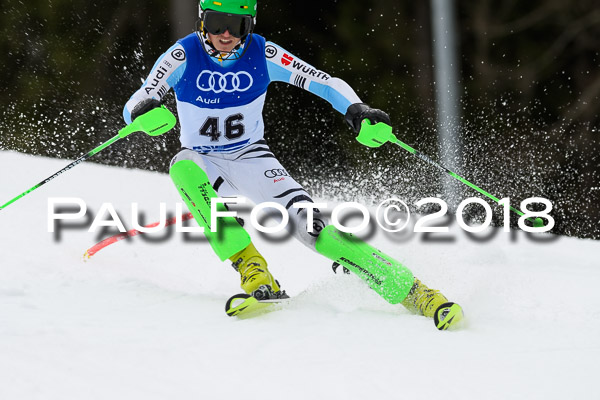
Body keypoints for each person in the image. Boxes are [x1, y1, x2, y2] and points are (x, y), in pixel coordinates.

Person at [123, 0, 463, 329]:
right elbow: (140, 97)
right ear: (202, 21)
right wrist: (142, 111)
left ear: (250, 25)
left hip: (251, 158)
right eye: (216, 24)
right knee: (182, 166)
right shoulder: (183, 55)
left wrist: (357, 110)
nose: (226, 34)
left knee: (317, 231)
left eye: (237, 25)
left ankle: (417, 293)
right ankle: (253, 269)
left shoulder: (264, 53)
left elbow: (323, 82)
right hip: (203, 158)